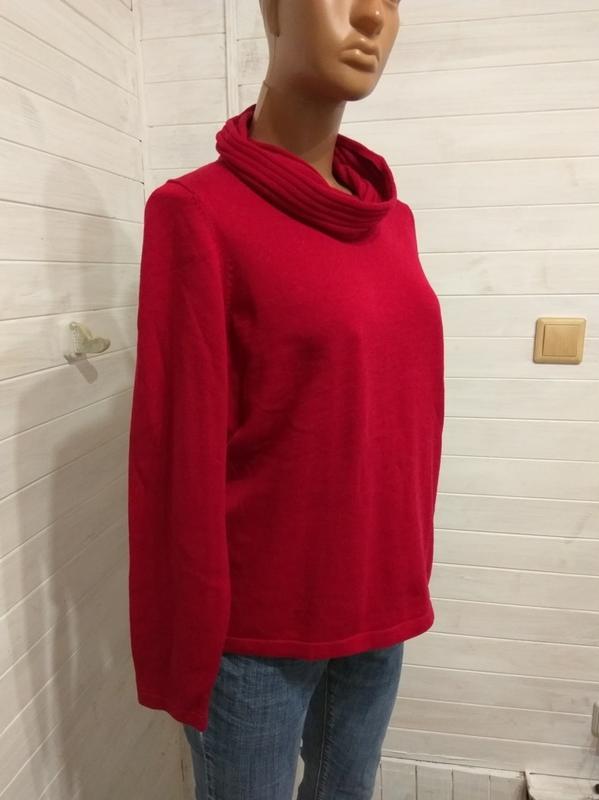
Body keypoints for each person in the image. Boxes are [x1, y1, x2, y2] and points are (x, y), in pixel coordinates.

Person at [127, 0, 445, 797]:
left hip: (379, 595)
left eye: (392, 0)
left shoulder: (392, 222)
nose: (371, 16)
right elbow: (175, 451)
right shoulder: (195, 212)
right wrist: (184, 641)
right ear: (271, 7)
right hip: (257, 627)